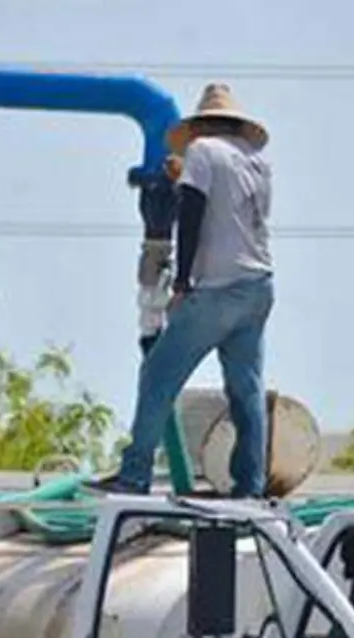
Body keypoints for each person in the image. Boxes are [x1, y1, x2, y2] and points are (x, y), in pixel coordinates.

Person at [83, 83, 274, 498]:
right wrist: (182, 174)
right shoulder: (257, 162)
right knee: (246, 388)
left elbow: (192, 212)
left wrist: (183, 280)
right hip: (259, 287)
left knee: (158, 375)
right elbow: (234, 211)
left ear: (200, 127)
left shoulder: (203, 153)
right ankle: (250, 487)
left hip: (217, 289)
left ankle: (134, 476)